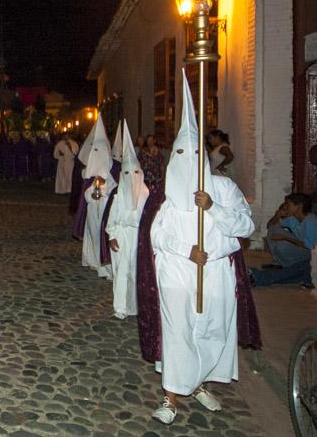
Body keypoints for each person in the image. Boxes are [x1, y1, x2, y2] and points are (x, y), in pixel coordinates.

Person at [147, 71, 258, 425]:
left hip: (216, 273)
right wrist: (185, 250)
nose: (185, 159)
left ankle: (199, 385)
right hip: (178, 273)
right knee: (178, 331)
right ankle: (171, 397)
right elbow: (157, 237)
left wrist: (212, 207)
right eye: (179, 152)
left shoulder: (223, 190)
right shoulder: (168, 200)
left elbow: (245, 226)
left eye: (192, 153)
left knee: (212, 329)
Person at [104, 122, 148, 319]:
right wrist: (112, 235)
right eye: (127, 173)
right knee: (121, 272)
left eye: (135, 173)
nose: (132, 178)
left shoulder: (146, 193)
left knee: (137, 271)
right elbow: (112, 217)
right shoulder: (119, 195)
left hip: (138, 236)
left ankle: (136, 305)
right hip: (122, 236)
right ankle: (121, 306)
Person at [250, 193, 316, 288]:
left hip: (310, 255)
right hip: (301, 249)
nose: (286, 207)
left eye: (289, 205)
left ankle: (262, 275)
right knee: (273, 230)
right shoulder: (293, 218)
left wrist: (285, 238)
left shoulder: (311, 221)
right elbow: (270, 226)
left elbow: (311, 247)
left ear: (299, 206)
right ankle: (279, 263)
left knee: (283, 246)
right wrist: (278, 215)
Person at [79, 118, 114, 279]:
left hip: (106, 211)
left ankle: (105, 267)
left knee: (103, 237)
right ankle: (93, 260)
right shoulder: (88, 175)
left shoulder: (111, 174)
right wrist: (92, 190)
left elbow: (114, 190)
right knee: (93, 234)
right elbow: (85, 195)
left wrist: (104, 189)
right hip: (93, 210)